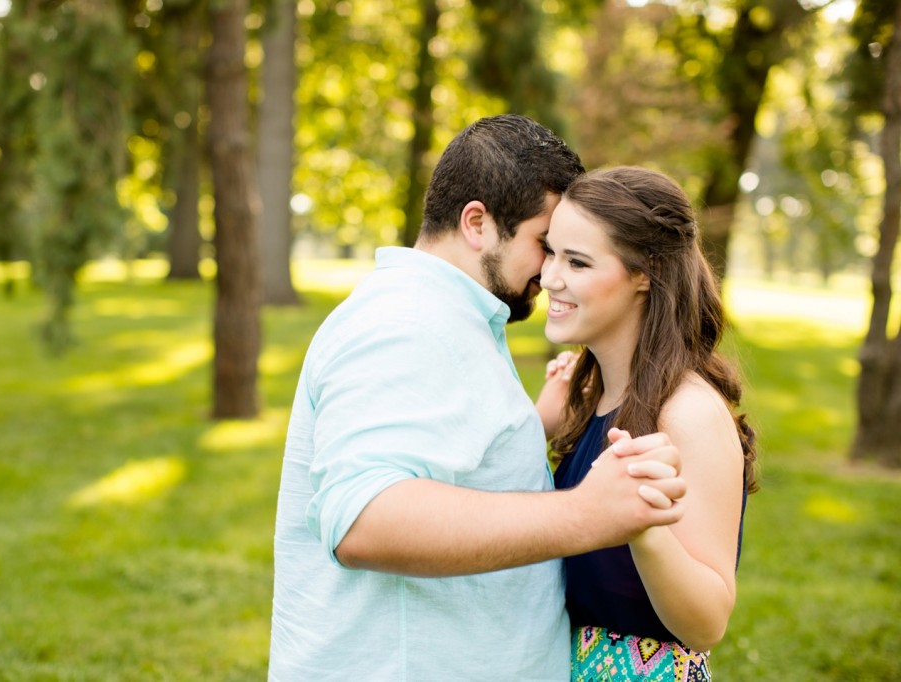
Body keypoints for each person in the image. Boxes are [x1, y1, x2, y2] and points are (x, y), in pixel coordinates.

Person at [269, 116, 687, 681]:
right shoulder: (408, 322)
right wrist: (587, 513)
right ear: (477, 223)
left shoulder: (449, 317)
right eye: (544, 244)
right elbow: (364, 520)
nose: (550, 271)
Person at [538, 166, 759, 681]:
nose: (550, 277)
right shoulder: (590, 394)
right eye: (550, 252)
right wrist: (538, 426)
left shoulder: (688, 414)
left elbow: (706, 624)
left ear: (646, 272)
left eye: (578, 261)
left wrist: (644, 528)